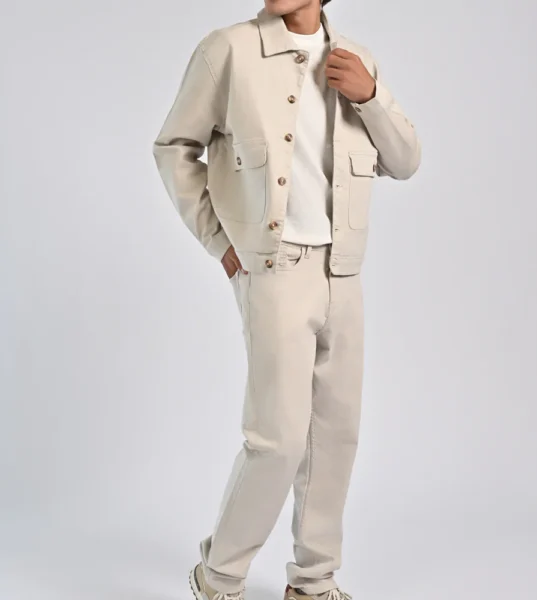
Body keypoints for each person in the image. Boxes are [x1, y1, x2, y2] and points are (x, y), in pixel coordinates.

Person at [152, 0, 421, 598]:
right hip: (274, 268)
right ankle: (218, 577)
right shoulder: (229, 50)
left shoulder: (357, 60)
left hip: (343, 270)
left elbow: (405, 160)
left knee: (336, 436)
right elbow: (174, 146)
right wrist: (218, 238)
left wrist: (370, 96)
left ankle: (314, 583)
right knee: (278, 439)